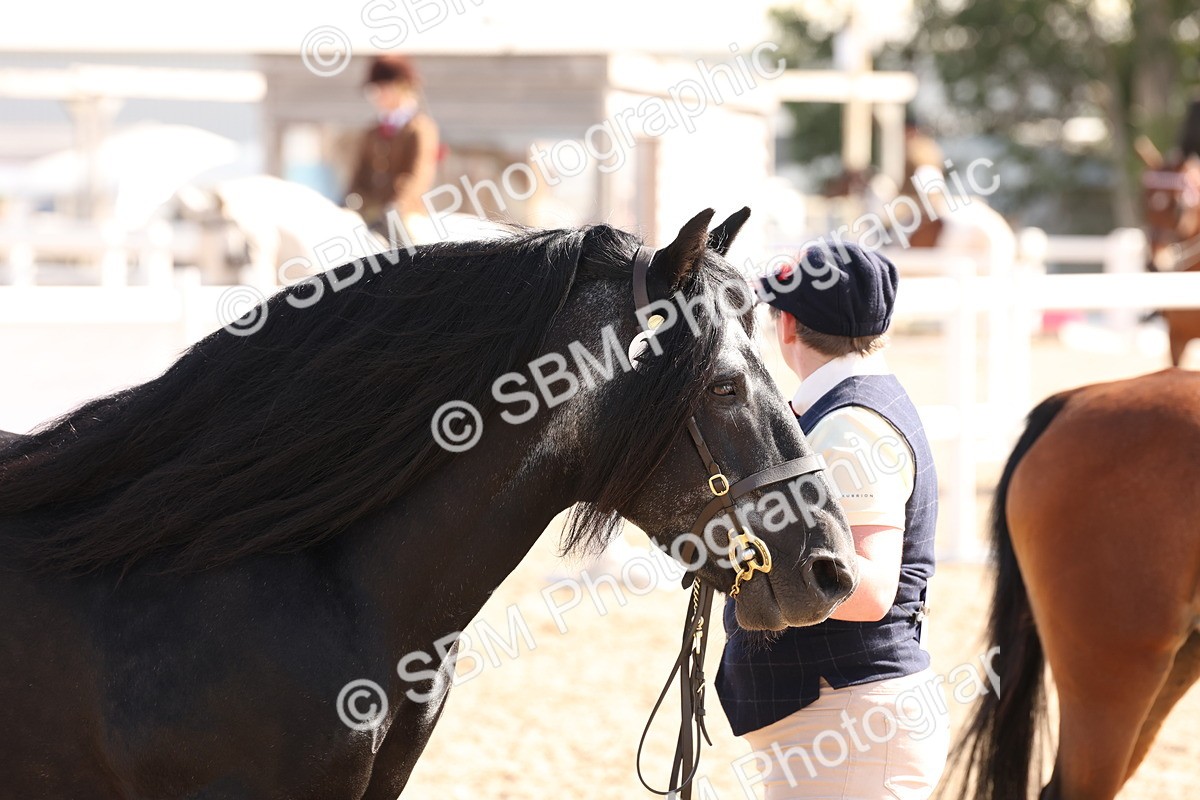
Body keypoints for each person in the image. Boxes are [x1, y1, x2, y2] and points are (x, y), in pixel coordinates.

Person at [716, 243, 948, 799]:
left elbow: (869, 592)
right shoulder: (840, 409)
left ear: (788, 325)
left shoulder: (850, 428)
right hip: (841, 723)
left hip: (846, 722)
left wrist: (744, 560)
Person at [345, 55, 440, 234]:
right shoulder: (371, 132)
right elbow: (360, 173)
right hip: (370, 211)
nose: (377, 96)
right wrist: (351, 200)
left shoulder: (420, 129)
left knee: (405, 245)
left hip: (406, 213)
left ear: (401, 87)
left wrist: (397, 205)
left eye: (382, 89)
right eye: (373, 90)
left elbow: (417, 175)